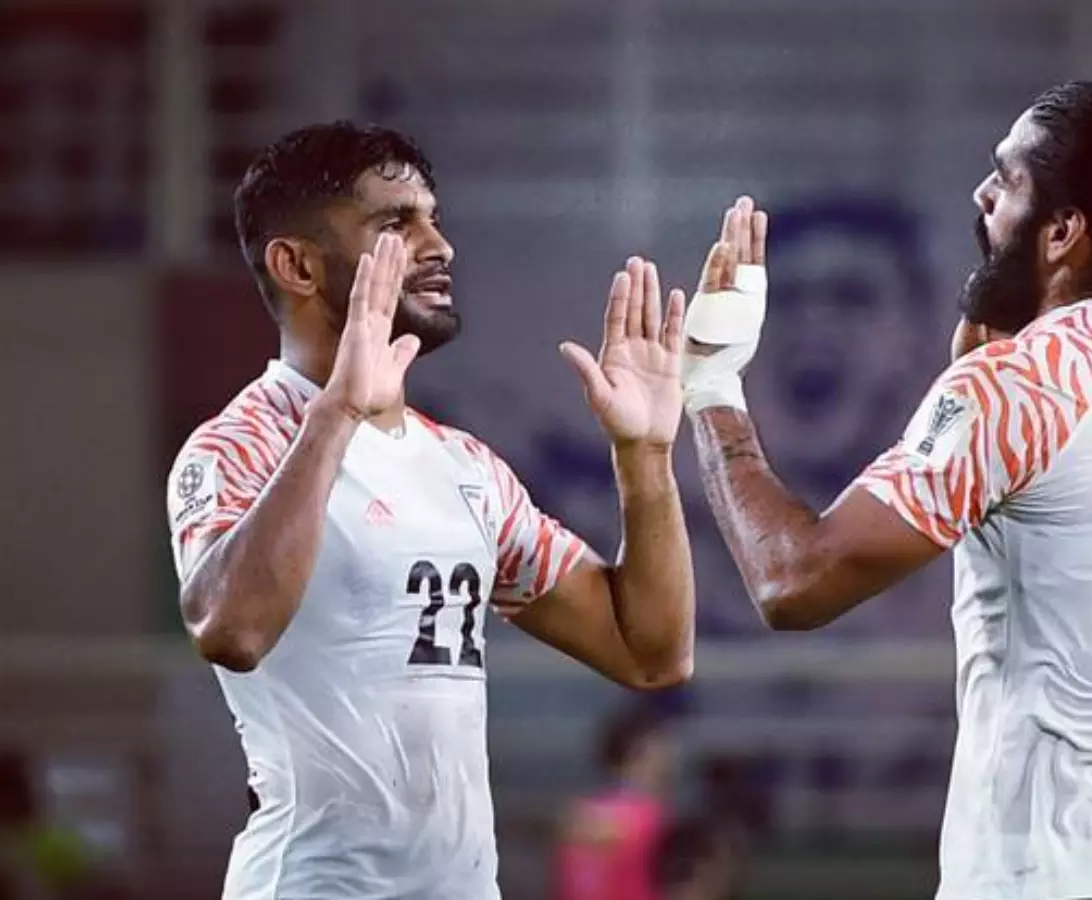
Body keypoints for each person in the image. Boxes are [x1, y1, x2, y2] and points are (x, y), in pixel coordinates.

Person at [681, 81, 1092, 900]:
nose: (982, 195)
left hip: (1063, 877)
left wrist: (711, 386)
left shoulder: (1023, 382)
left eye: (1008, 179)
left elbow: (794, 579)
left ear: (1062, 231)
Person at [164, 121, 695, 900]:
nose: (439, 245)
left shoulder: (464, 467)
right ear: (297, 265)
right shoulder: (239, 444)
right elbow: (231, 630)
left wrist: (645, 457)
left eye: (433, 219)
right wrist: (336, 415)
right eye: (395, 224)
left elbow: (650, 653)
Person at [554, 704, 679, 900]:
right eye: (660, 747)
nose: (669, 756)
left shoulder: (581, 812)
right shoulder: (649, 817)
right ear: (639, 753)